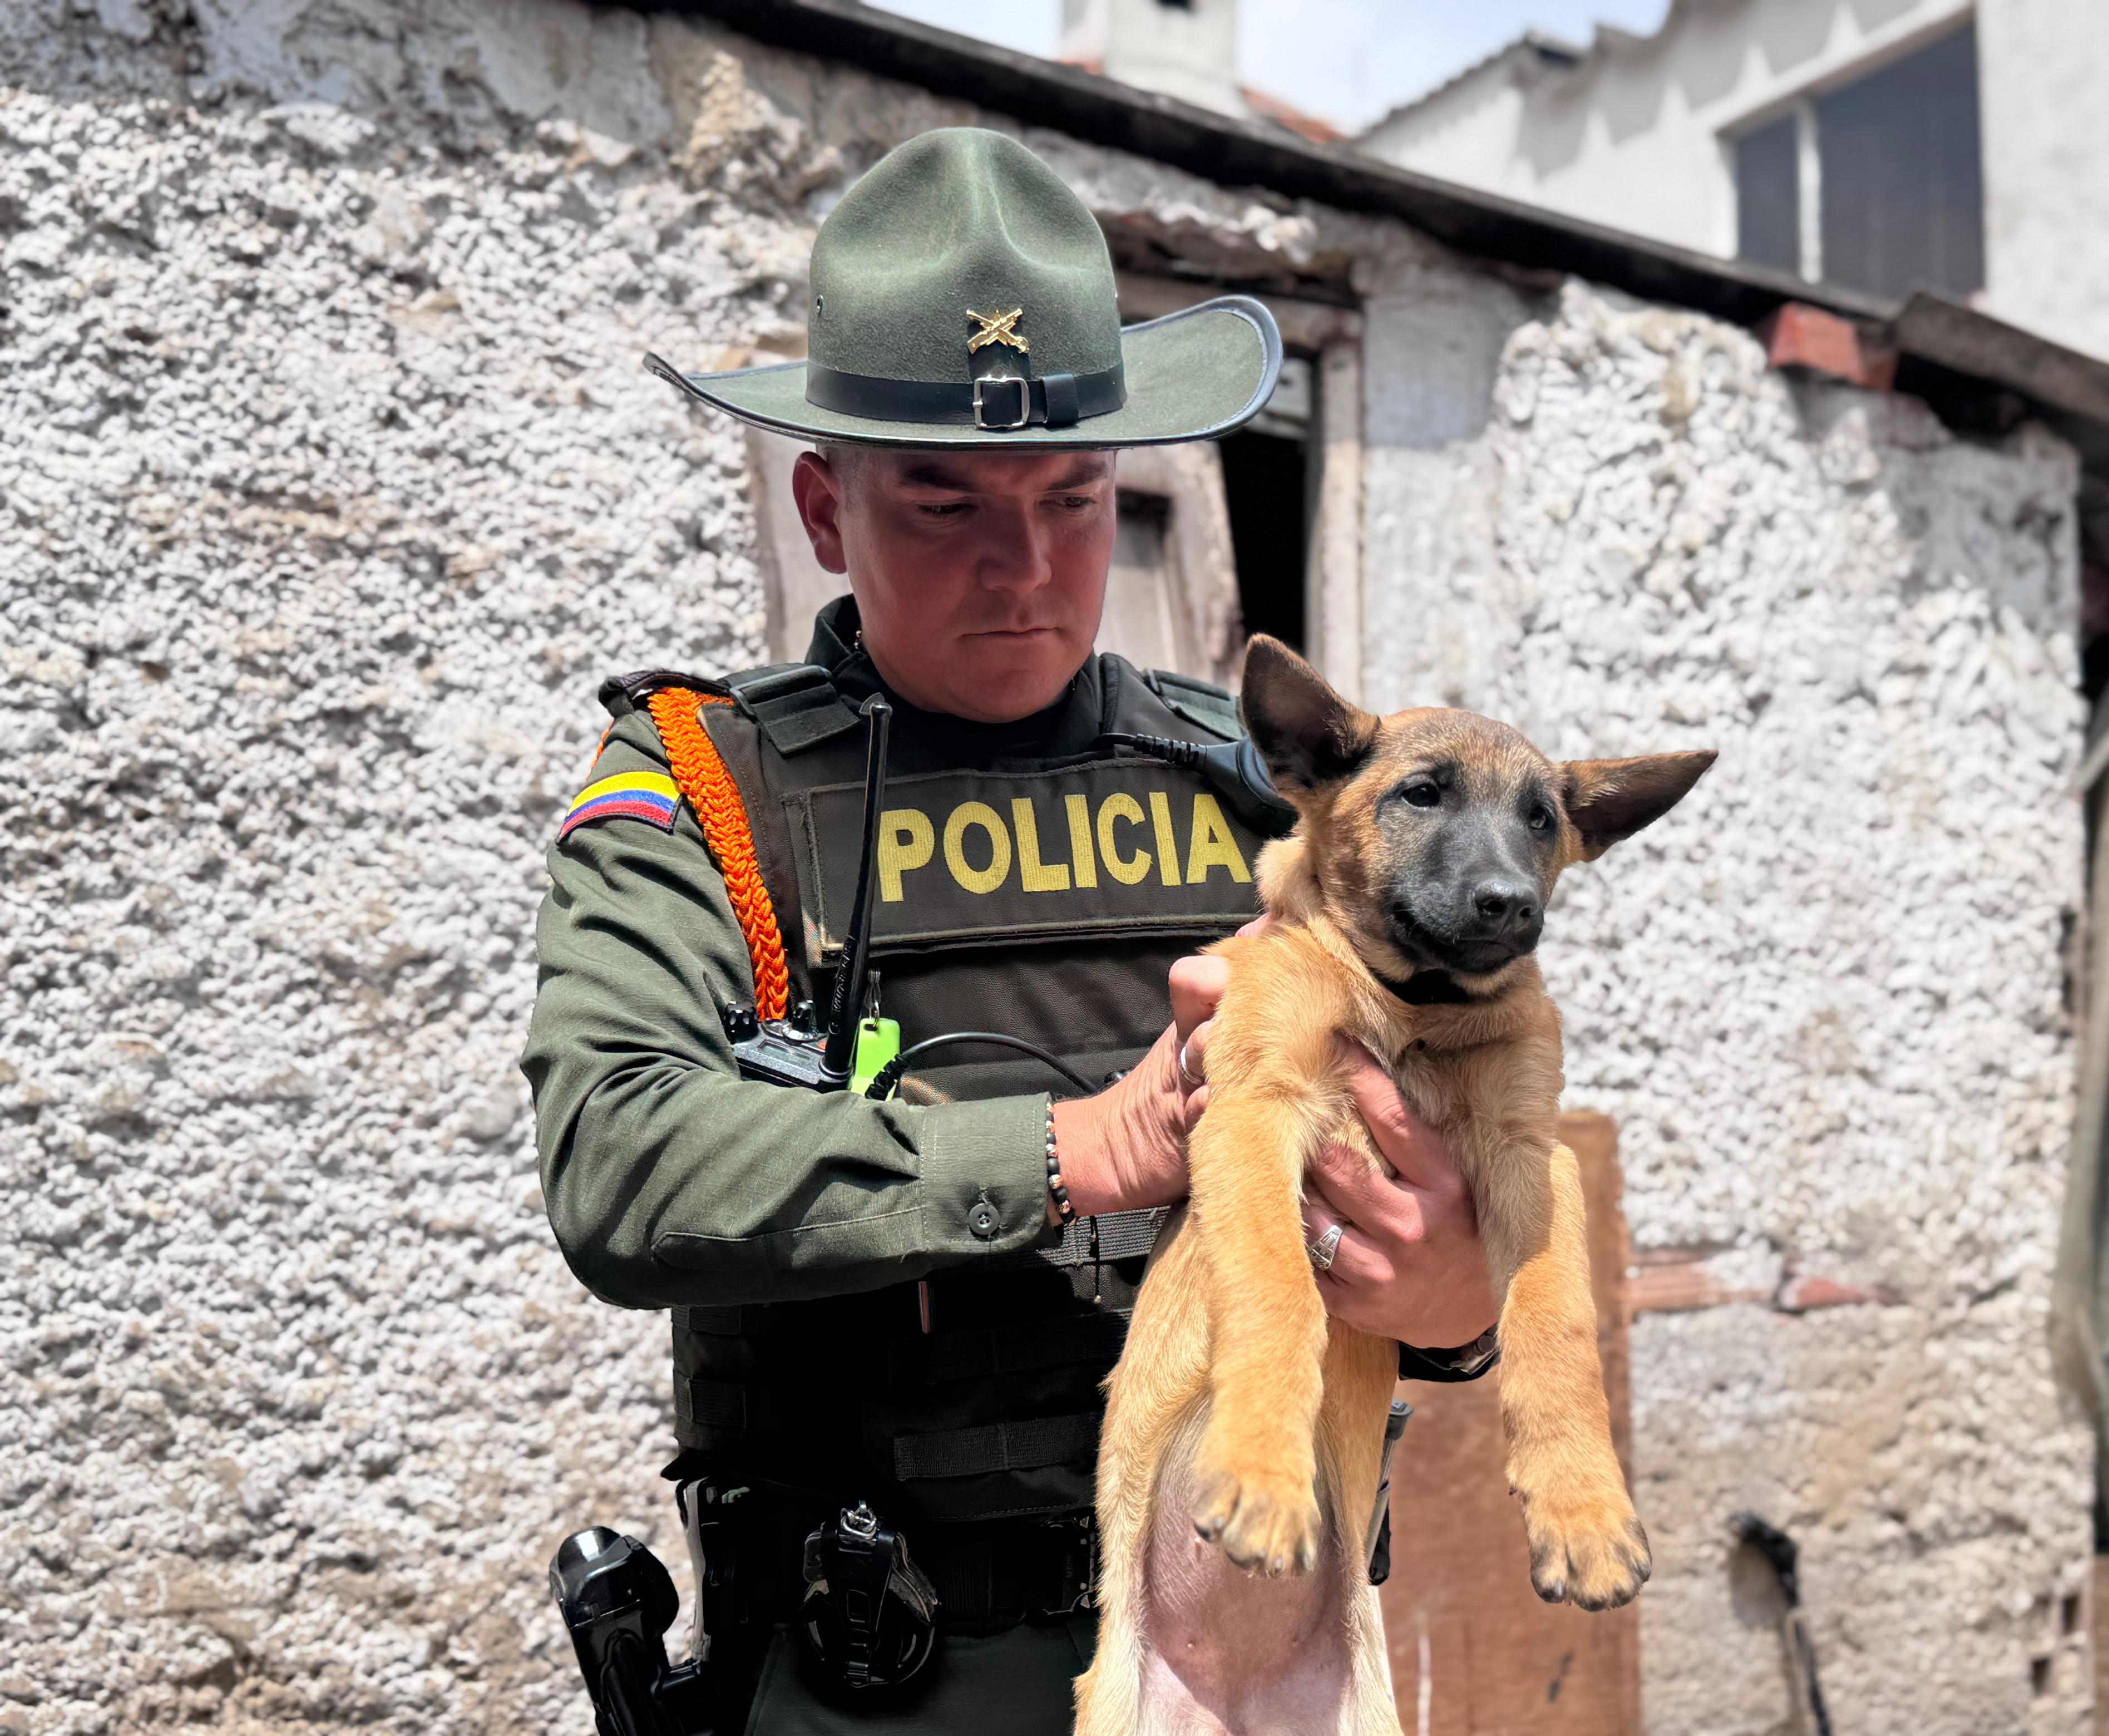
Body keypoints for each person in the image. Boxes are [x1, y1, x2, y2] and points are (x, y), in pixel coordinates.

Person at [522, 127, 1499, 1736]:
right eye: (944, 502)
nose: (1027, 566)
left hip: (1258, 1648)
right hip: (896, 1673)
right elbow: (618, 1163)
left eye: (1070, 496)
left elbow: (1448, 1189)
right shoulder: (707, 787)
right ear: (827, 510)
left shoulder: (1278, 791)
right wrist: (1073, 1152)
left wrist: (1452, 1289)